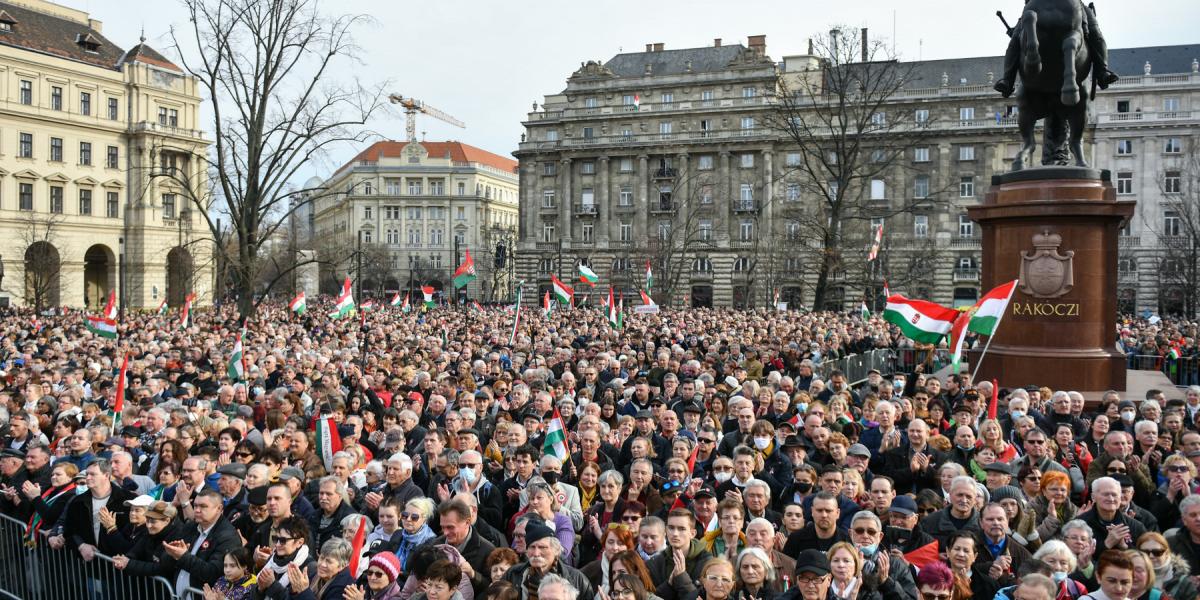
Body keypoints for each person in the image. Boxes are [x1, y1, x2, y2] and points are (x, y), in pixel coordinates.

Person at [503, 521, 594, 600]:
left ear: (556, 550)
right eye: (532, 547)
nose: (536, 553)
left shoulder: (577, 579)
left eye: (542, 547)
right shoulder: (513, 574)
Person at [647, 509, 714, 600]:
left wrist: (681, 576)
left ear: (692, 533)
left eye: (681, 529)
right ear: (666, 530)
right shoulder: (654, 563)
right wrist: (669, 583)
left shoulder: (708, 563)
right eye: (671, 528)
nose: (675, 534)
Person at [1137, 531, 1197, 600]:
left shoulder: (1183, 582)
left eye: (1157, 552)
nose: (1151, 556)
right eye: (1145, 552)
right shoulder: (1131, 577)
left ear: (1166, 553)